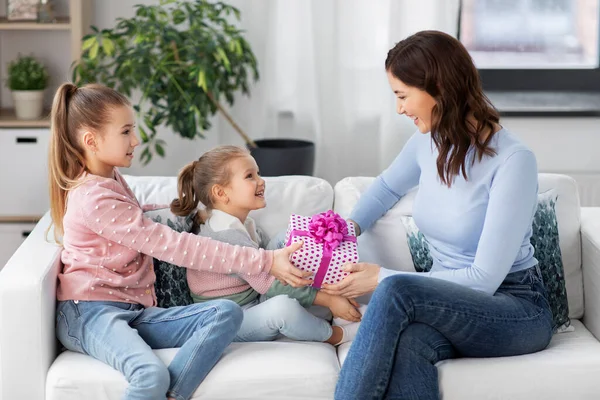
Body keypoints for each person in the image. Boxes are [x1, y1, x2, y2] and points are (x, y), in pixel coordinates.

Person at [319, 31, 554, 400]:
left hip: (515, 309)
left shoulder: (513, 161)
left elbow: (484, 280)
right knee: (410, 342)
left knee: (396, 289)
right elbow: (385, 188)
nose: (399, 109)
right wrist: (341, 232)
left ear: (440, 88)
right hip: (448, 299)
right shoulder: (427, 142)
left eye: (402, 96)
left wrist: (380, 278)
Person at [48, 83, 312, 400]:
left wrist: (191, 213)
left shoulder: (111, 179)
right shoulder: (92, 198)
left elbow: (135, 220)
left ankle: (172, 395)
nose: (136, 140)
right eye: (126, 131)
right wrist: (266, 260)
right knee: (149, 374)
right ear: (91, 141)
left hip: (134, 310)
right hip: (89, 313)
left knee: (226, 313)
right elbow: (176, 247)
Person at [170, 145, 365, 346]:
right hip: (230, 320)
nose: (261, 181)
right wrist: (327, 300)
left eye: (258, 174)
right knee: (283, 309)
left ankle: (333, 291)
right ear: (221, 192)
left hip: (254, 297)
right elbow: (271, 283)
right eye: (249, 176)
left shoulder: (245, 224)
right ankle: (334, 335)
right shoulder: (225, 234)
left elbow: (270, 265)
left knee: (286, 239)